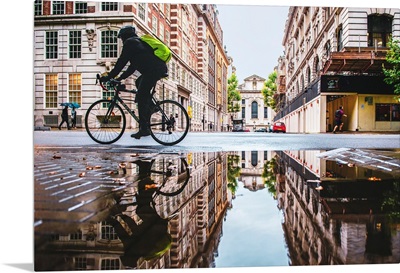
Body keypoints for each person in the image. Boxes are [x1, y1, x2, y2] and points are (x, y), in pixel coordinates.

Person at [100, 25, 168, 139]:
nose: (121, 41)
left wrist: (109, 76)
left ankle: (144, 129)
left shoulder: (130, 43)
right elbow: (131, 67)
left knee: (141, 96)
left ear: (125, 36)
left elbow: (121, 62)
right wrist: (119, 78)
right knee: (138, 83)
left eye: (121, 38)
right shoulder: (137, 45)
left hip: (154, 70)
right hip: (155, 69)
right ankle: (151, 106)